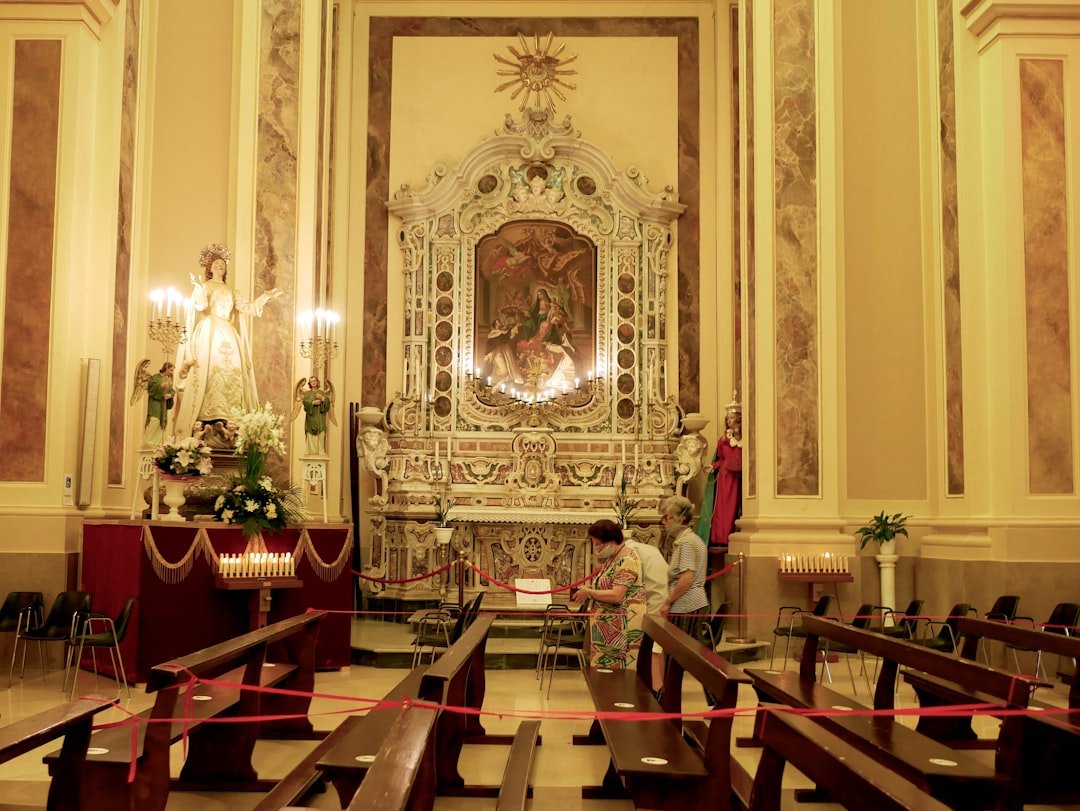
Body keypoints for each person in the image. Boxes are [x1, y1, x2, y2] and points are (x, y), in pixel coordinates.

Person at [173, 243, 280, 448]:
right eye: (216, 264)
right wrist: (198, 289)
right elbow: (201, 307)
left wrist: (265, 296)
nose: (220, 266)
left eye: (223, 264)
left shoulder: (232, 290)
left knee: (233, 371)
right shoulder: (205, 287)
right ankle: (207, 417)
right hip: (210, 331)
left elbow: (247, 308)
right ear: (210, 268)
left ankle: (231, 416)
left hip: (228, 331)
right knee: (209, 370)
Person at [571, 519, 646, 670]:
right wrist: (588, 589)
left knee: (616, 675)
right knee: (604, 675)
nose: (597, 548)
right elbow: (606, 583)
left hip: (621, 628)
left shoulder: (628, 560)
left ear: (611, 540)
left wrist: (590, 592)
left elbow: (616, 595)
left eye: (599, 544)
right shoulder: (613, 558)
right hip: (608, 628)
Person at [624, 534, 669, 689]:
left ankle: (656, 688)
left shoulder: (630, 551)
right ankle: (658, 686)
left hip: (653, 601)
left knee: (653, 647)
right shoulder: (647, 548)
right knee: (658, 646)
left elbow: (632, 581)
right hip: (662, 596)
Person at [660, 496, 709, 633]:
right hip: (690, 604)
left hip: (687, 605)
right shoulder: (690, 539)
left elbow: (687, 579)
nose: (663, 522)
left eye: (667, 517)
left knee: (678, 651)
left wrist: (668, 602)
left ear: (680, 519)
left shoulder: (686, 542)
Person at [140, 362, 175, 447]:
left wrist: (170, 395)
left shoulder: (168, 379)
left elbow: (172, 391)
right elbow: (151, 389)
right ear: (165, 368)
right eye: (171, 370)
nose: (172, 372)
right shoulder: (155, 377)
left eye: (173, 370)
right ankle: (148, 442)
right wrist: (161, 386)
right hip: (155, 403)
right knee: (155, 420)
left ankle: (157, 443)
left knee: (161, 424)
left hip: (163, 405)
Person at [300, 376, 332, 455]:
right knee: (310, 436)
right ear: (310, 383)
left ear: (317, 382)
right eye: (311, 381)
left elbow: (327, 405)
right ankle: (310, 452)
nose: (313, 382)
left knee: (321, 434)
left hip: (320, 418)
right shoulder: (307, 393)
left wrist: (323, 399)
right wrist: (312, 403)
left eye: (315, 381)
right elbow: (305, 403)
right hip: (311, 418)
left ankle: (321, 452)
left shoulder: (322, 393)